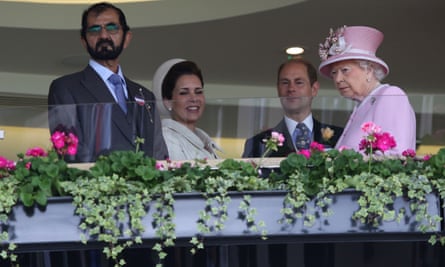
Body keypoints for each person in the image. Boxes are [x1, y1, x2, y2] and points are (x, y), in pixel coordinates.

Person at [48, 2, 168, 163]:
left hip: (147, 188)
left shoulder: (145, 95)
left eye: (112, 28)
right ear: (84, 41)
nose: (104, 36)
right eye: (95, 30)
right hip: (96, 185)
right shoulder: (66, 88)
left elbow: (159, 155)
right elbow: (71, 155)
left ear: (127, 38)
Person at [318, 25, 416, 154]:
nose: (337, 79)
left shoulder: (390, 95)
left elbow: (395, 155)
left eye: (345, 70)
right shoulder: (362, 105)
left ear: (369, 71)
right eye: (334, 73)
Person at [242, 58, 343, 158]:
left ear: (314, 89)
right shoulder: (256, 144)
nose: (291, 89)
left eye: (299, 82)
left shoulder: (340, 136)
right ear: (278, 89)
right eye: (285, 83)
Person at [152, 58, 221, 160]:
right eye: (184, 93)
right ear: (168, 102)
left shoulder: (203, 139)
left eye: (198, 92)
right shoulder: (167, 139)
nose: (194, 99)